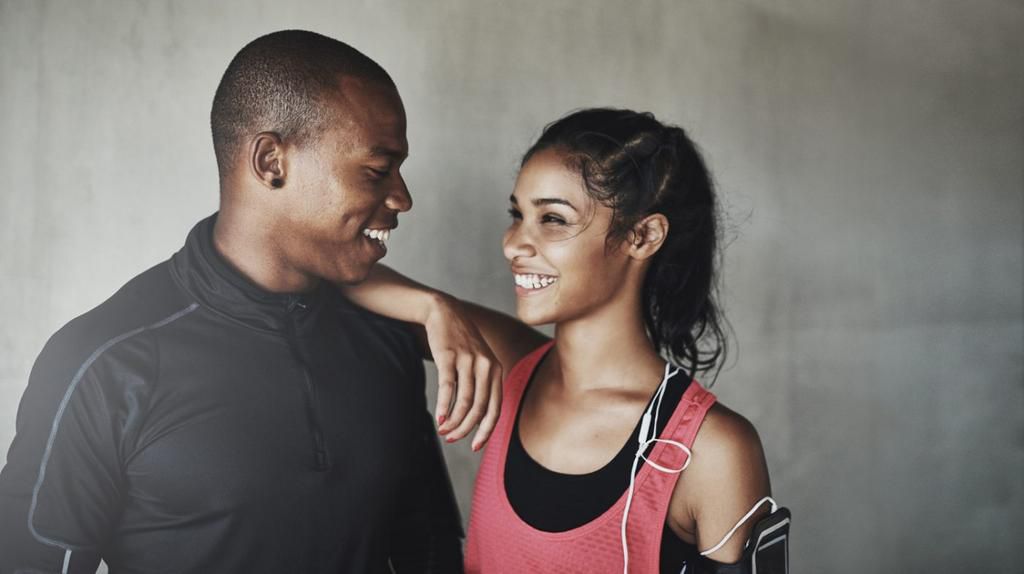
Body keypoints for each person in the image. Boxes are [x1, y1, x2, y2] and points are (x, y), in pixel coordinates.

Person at [0, 30, 500, 573]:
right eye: (378, 171)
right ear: (271, 162)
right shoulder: (102, 361)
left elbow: (427, 547)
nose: (403, 198)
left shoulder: (387, 332)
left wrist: (434, 306)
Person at [343, 108, 789, 573]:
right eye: (519, 214)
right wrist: (434, 307)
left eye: (552, 219)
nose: (514, 242)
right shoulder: (509, 364)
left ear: (643, 236)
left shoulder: (713, 450)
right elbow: (339, 275)